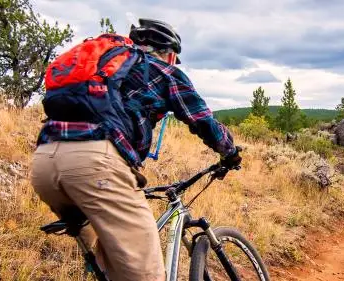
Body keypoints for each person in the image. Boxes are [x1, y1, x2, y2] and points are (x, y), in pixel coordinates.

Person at [30, 18, 242, 281]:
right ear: (171, 54)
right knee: (148, 275)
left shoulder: (105, 69)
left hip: (44, 164)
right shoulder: (164, 71)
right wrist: (230, 153)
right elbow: (203, 121)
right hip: (95, 167)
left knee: (106, 261)